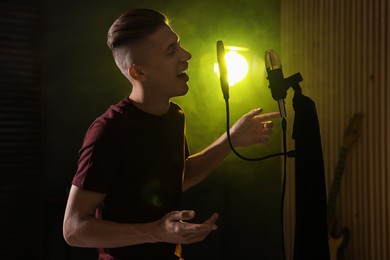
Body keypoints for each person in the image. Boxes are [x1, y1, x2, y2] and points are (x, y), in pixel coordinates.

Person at [63, 8, 280, 260]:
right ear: (138, 72)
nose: (186, 55)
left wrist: (231, 140)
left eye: (179, 45)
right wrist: (156, 232)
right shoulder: (108, 131)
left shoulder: (175, 116)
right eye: (171, 51)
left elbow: (176, 178)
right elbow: (74, 229)